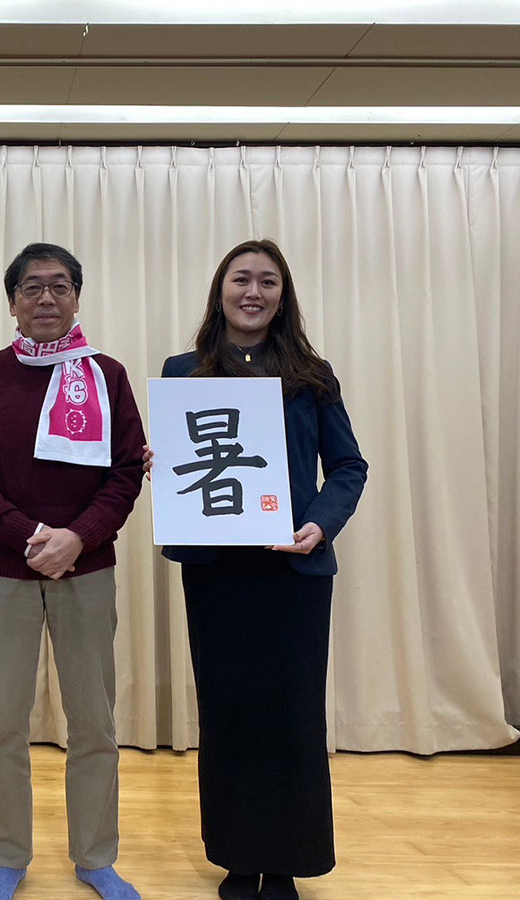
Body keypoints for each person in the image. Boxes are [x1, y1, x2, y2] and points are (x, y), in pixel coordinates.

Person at [155, 239, 367, 900]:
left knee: (293, 715)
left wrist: (321, 523)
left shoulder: (312, 371)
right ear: (221, 290)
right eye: (241, 279)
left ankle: (288, 862)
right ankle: (238, 859)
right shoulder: (185, 368)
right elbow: (174, 455)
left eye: (267, 282)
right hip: (218, 574)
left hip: (294, 573)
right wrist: (157, 471)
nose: (254, 291)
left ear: (283, 295)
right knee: (229, 713)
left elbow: (349, 468)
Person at [0, 242, 146, 900]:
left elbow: (125, 473)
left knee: (93, 722)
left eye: (60, 287)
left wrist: (78, 539)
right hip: (5, 571)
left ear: (77, 297)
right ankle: (7, 857)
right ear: (12, 302)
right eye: (31, 288)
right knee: (3, 723)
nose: (46, 299)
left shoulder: (107, 375)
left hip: (87, 572)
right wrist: (31, 535)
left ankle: (96, 857)